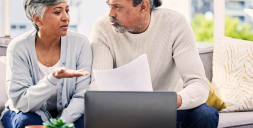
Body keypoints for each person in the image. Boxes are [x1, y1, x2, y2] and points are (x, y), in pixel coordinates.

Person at [89, 0, 219, 127]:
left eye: (117, 7)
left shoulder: (175, 23)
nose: (110, 14)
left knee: (205, 114)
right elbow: (98, 86)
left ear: (143, 6)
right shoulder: (102, 28)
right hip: (123, 113)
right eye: (109, 5)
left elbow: (198, 84)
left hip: (170, 111)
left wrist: (171, 101)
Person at [0, 0, 92, 128]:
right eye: (58, 12)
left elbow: (83, 95)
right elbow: (21, 101)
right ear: (37, 19)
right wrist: (52, 79)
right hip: (28, 111)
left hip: (68, 111)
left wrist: (58, 124)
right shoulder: (18, 47)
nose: (66, 17)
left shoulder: (80, 44)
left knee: (87, 122)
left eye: (67, 10)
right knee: (27, 123)